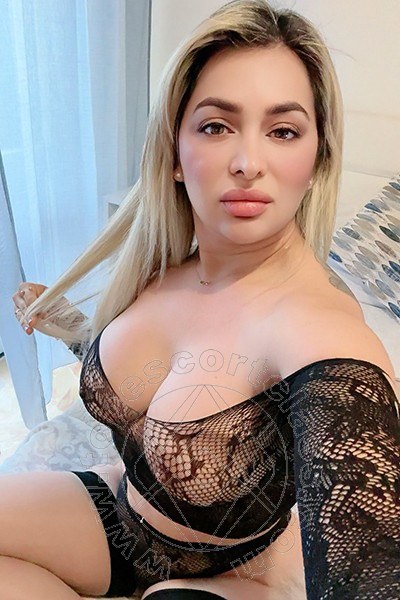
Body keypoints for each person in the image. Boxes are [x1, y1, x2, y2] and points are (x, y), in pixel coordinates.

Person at [6, 0, 399, 598]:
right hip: (123, 514)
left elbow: (370, 569)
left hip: (233, 568)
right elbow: (158, 373)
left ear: (317, 158)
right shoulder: (161, 272)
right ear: (174, 153)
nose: (248, 163)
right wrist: (73, 326)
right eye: (216, 126)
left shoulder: (320, 334)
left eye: (283, 131)